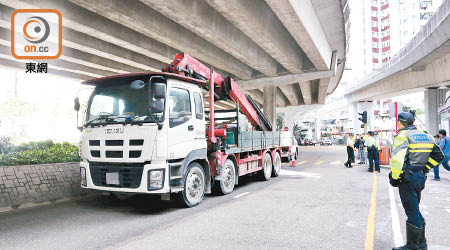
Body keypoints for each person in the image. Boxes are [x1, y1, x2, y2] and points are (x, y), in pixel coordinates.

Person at [389, 112, 444, 250]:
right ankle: (421, 243)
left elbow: (398, 160)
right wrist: (424, 169)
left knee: (411, 211)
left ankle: (412, 246)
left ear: (399, 122)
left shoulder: (402, 136)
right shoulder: (427, 135)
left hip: (407, 178)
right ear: (412, 122)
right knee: (415, 209)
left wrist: (395, 178)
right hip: (419, 177)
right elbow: (439, 156)